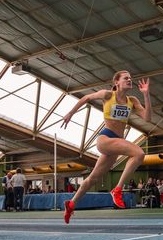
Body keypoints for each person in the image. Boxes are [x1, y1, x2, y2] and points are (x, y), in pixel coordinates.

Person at [61, 71, 151, 223]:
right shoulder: (108, 95)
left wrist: (146, 95)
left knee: (92, 179)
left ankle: (71, 204)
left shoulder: (132, 100)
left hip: (116, 143)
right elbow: (86, 97)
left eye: (130, 78)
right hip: (105, 139)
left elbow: (147, 118)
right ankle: (117, 189)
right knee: (139, 153)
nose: (130, 80)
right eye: (126, 78)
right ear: (117, 82)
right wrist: (71, 113)